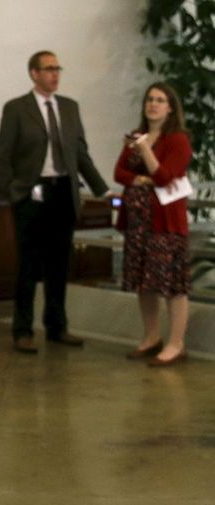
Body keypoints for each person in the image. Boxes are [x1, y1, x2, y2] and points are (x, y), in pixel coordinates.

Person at [0, 50, 109, 353]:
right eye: (48, 69)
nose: (55, 74)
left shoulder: (69, 108)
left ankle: (57, 327)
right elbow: (1, 154)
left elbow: (80, 153)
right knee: (29, 265)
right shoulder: (17, 108)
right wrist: (10, 191)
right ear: (34, 73)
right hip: (31, 193)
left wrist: (102, 190)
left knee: (60, 264)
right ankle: (23, 330)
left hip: (62, 192)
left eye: (58, 69)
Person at [114, 82, 193, 366]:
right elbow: (119, 172)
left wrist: (145, 149)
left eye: (160, 100)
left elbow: (164, 177)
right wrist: (140, 177)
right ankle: (151, 337)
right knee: (143, 282)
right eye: (149, 99)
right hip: (138, 224)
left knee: (172, 284)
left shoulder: (178, 140)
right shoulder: (137, 135)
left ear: (170, 107)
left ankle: (176, 344)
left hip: (165, 224)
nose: (153, 104)